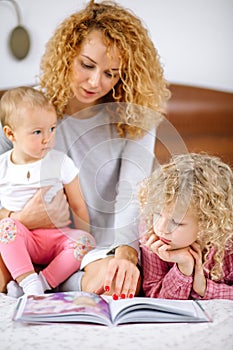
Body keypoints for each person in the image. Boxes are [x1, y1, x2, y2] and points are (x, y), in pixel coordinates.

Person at [0, 0, 170, 298]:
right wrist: (21, 219)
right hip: (21, 239)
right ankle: (34, 278)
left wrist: (125, 253)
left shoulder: (136, 117)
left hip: (96, 246)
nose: (95, 82)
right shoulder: (25, 110)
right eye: (87, 65)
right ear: (68, 55)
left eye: (111, 73)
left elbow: (131, 193)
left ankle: (43, 283)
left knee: (114, 278)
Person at [0, 87, 96, 297]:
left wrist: (87, 238)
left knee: (86, 241)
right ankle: (26, 279)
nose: (47, 139)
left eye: (52, 128)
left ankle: (41, 283)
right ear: (10, 134)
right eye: (37, 132)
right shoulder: (2, 167)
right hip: (22, 238)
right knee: (6, 227)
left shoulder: (60, 162)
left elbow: (78, 205)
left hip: (56, 238)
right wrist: (13, 218)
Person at [139, 153, 233, 300]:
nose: (162, 228)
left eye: (176, 222)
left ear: (207, 223)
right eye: (157, 214)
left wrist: (204, 288)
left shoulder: (228, 244)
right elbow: (156, 298)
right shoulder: (152, 240)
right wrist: (183, 267)